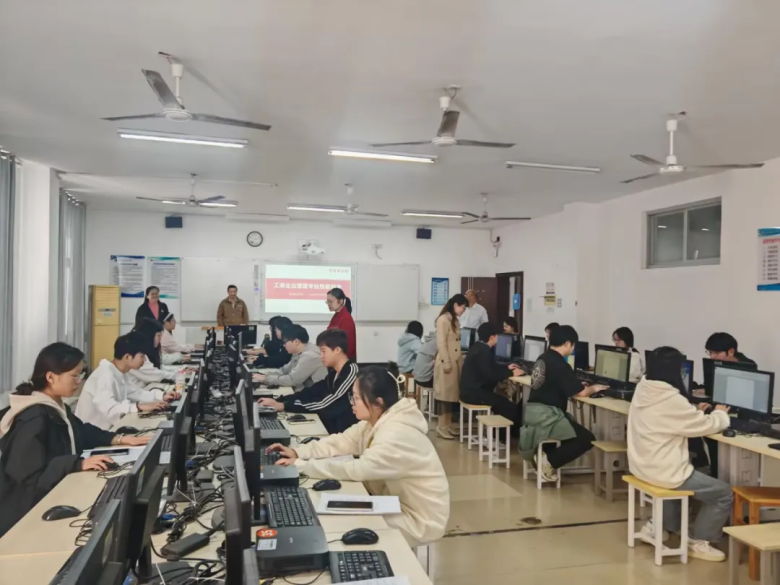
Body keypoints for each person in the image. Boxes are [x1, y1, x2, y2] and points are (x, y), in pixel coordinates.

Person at [267, 364, 449, 546]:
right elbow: (342, 441)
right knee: (337, 515)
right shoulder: (378, 420)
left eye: (356, 398)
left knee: (344, 525)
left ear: (377, 402)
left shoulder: (396, 434)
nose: (351, 403)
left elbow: (358, 469)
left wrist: (302, 466)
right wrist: (297, 452)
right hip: (392, 501)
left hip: (418, 518)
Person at [0, 343, 150, 536]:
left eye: (81, 375)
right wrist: (77, 464)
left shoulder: (54, 405)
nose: (79, 381)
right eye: (74, 376)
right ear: (51, 377)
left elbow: (81, 431)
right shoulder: (34, 416)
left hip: (52, 497)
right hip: (25, 515)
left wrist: (120, 439)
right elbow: (27, 474)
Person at [628, 346, 733, 562]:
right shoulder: (670, 399)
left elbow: (674, 419)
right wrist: (720, 414)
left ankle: (660, 525)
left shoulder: (644, 388)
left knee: (699, 470)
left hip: (642, 465)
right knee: (723, 493)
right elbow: (706, 426)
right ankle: (698, 540)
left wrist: (693, 412)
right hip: (663, 471)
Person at [519, 325, 607, 482]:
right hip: (548, 417)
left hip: (533, 413)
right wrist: (594, 388)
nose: (573, 349)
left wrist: (575, 385)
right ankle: (548, 462)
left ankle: (544, 459)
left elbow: (557, 383)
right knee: (586, 438)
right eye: (573, 345)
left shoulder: (543, 358)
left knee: (571, 425)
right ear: (567, 343)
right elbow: (582, 392)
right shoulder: (560, 364)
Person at [258, 329, 358, 434]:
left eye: (324, 351)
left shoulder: (351, 371)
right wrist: (280, 400)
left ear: (337, 350)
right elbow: (312, 391)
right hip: (332, 425)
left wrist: (284, 406)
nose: (321, 356)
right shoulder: (334, 373)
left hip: (344, 432)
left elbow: (327, 403)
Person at [76, 333, 170, 429]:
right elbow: (110, 410)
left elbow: (133, 392)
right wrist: (138, 406)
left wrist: (160, 396)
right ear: (127, 357)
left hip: (109, 428)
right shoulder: (105, 375)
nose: (144, 361)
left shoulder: (119, 371)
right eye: (142, 356)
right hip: (94, 432)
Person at [460, 323, 524, 431]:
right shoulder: (484, 351)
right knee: (507, 405)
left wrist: (507, 367)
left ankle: (503, 432)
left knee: (503, 401)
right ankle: (506, 434)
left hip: (469, 391)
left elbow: (491, 367)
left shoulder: (477, 347)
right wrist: (511, 373)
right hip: (474, 394)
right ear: (492, 337)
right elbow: (491, 375)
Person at [434, 294, 468, 440]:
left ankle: (447, 425)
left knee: (451, 396)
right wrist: (446, 362)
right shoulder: (443, 319)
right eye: (462, 307)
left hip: (454, 362)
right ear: (455, 305)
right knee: (444, 396)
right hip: (446, 363)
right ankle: (441, 426)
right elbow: (441, 343)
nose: (463, 311)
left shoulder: (453, 320)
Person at [254, 324, 327, 392]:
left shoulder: (310, 356)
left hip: (315, 396)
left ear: (296, 341)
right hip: (304, 391)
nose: (284, 345)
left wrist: (266, 379)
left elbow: (293, 380)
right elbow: (284, 370)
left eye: (285, 342)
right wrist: (265, 375)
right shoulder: (299, 352)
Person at [127, 318, 181, 390]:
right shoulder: (135, 353)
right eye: (158, 335)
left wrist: (181, 371)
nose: (160, 339)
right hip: (136, 392)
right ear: (149, 335)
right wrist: (180, 375)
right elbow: (155, 374)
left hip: (142, 389)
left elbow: (159, 367)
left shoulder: (144, 350)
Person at [327, 287, 356, 360]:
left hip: (344, 360)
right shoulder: (337, 316)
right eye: (327, 302)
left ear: (340, 301)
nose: (329, 304)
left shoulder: (346, 318)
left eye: (331, 301)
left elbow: (349, 344)